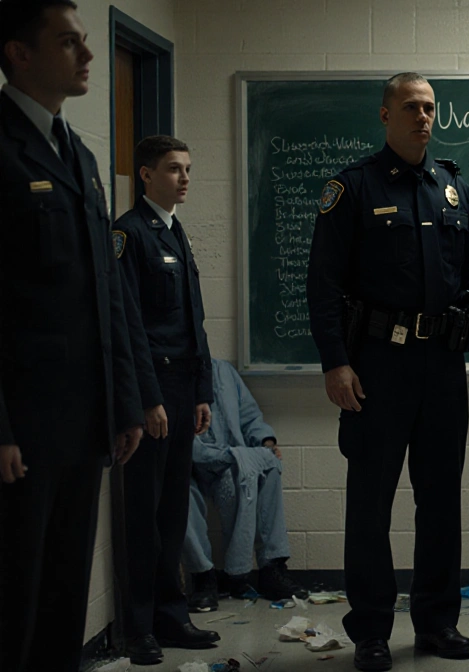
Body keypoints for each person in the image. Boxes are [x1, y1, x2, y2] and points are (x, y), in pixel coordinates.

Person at [306, 72, 469, 672]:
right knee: (370, 503)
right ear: (385, 115)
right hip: (376, 367)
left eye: (430, 107)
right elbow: (322, 284)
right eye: (411, 107)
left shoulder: (454, 191)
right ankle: (370, 631)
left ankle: (438, 623)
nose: (423, 117)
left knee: (441, 501)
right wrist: (336, 362)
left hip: (442, 365)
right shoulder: (353, 188)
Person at [0, 1, 145, 670]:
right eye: (67, 42)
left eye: (86, 42)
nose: (86, 56)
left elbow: (106, 296)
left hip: (83, 424)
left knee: (63, 596)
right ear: (18, 54)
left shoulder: (79, 155)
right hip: (22, 429)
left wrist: (123, 403)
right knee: (14, 602)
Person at [115, 134, 220, 665]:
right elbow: (130, 326)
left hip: (183, 390)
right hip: (151, 392)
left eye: (188, 168)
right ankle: (138, 628)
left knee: (173, 511)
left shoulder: (175, 231)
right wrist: (148, 400)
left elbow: (192, 324)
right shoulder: (129, 235)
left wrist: (202, 393)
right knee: (143, 515)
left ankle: (171, 616)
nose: (184, 178)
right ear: (146, 175)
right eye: (174, 169)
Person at [183, 358, 308, 611]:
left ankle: (271, 567)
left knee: (269, 467)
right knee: (180, 495)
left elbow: (250, 416)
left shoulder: (223, 371)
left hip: (231, 461)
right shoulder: (176, 373)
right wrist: (230, 457)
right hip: (193, 465)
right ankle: (203, 576)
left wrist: (266, 442)